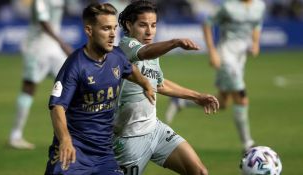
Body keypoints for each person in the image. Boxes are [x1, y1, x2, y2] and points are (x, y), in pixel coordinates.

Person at [44, 2, 155, 175]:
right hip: (73, 150)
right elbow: (57, 107)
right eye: (105, 29)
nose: (112, 35)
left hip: (104, 154)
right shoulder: (75, 65)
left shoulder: (116, 56)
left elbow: (130, 69)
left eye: (114, 28)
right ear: (89, 31)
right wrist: (65, 139)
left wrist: (145, 84)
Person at [112, 1, 219, 175]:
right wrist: (175, 42)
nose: (149, 31)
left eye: (153, 25)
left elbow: (160, 84)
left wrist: (196, 97)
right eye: (143, 25)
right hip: (129, 138)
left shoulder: (153, 53)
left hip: (156, 130)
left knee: (199, 172)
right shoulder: (125, 47)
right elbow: (144, 53)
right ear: (128, 25)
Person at [9, 0, 73, 149]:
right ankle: (15, 135)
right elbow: (43, 21)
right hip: (37, 48)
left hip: (54, 50)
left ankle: (75, 133)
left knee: (70, 83)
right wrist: (63, 43)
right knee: (29, 87)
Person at [202, 0, 266, 151]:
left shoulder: (260, 6)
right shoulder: (228, 7)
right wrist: (212, 52)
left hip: (240, 58)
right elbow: (207, 23)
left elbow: (257, 23)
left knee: (223, 103)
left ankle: (181, 102)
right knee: (241, 98)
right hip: (225, 55)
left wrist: (256, 43)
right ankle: (248, 144)